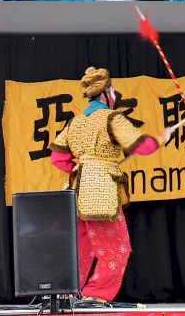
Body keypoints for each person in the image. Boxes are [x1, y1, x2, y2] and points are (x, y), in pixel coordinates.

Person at [49, 67, 165, 304]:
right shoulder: (112, 117)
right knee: (117, 247)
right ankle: (95, 295)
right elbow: (141, 146)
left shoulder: (76, 121)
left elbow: (57, 158)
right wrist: (159, 140)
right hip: (100, 189)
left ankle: (66, 293)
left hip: (76, 189)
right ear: (106, 92)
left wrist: (83, 165)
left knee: (81, 246)